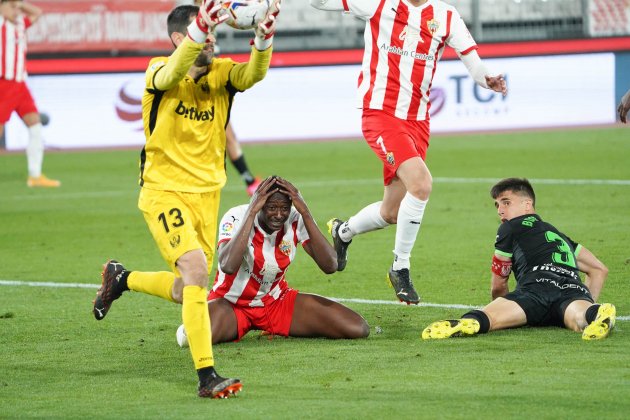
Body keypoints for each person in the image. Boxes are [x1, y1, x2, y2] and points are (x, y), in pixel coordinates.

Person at [92, 0, 281, 399]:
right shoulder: (158, 71)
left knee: (186, 288)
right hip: (164, 191)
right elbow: (175, 70)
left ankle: (122, 278)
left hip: (207, 194)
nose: (212, 38)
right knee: (197, 273)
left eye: (212, 32)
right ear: (181, 37)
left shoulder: (222, 73)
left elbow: (254, 74)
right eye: (203, 31)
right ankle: (206, 375)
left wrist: (263, 37)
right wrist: (201, 28)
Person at [310, 0, 507, 305]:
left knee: (392, 211)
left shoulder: (446, 15)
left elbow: (471, 58)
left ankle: (343, 231)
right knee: (421, 183)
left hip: (417, 120)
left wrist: (487, 78)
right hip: (380, 113)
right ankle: (400, 266)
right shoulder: (378, 4)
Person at [176, 176, 370, 345]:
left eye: (284, 208)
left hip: (276, 302)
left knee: (357, 328)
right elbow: (227, 265)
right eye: (271, 208)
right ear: (259, 204)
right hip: (231, 304)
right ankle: (212, 319)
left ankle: (268, 325)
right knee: (191, 338)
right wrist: (251, 213)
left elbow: (331, 265)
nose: (279, 215)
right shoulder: (237, 216)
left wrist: (305, 212)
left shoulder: (295, 218)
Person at [422, 178, 615, 341]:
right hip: (571, 290)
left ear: (527, 204)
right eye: (497, 204)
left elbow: (498, 285)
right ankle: (595, 314)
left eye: (506, 202)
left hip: (534, 290)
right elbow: (599, 270)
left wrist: (503, 306)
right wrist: (584, 298)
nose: (500, 210)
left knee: (486, 319)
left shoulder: (510, 228)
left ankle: (468, 322)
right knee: (580, 318)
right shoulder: (561, 236)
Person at [0, 0, 60, 187]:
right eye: (11, 6)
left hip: (21, 84)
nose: (16, 11)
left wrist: (20, 4)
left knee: (35, 126)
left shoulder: (19, 24)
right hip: (5, 83)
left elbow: (37, 13)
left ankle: (35, 176)